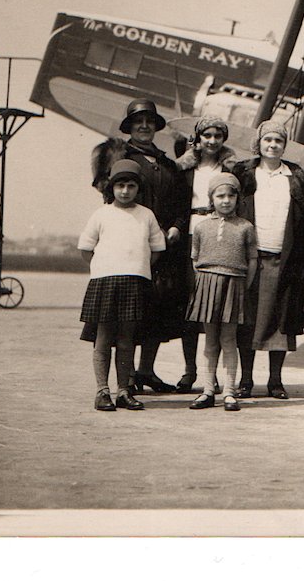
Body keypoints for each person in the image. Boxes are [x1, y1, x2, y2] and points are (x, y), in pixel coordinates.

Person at [90, 98, 190, 394]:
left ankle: (146, 370)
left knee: (157, 308)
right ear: (130, 127)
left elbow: (181, 203)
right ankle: (128, 375)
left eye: (149, 121)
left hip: (164, 247)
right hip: (131, 247)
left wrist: (175, 228)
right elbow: (108, 193)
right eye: (138, 122)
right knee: (130, 312)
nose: (144, 126)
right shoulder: (121, 158)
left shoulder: (167, 163)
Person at [230, 121, 304, 400]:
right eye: (267, 140)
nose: (273, 145)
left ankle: (275, 381)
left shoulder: (295, 176)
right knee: (247, 321)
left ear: (284, 144)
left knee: (282, 321)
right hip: (250, 258)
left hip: (285, 259)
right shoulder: (244, 173)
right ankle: (245, 380)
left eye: (278, 141)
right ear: (259, 143)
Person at [77, 160, 166, 412]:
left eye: (130, 186)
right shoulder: (102, 214)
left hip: (134, 282)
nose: (125, 191)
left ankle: (123, 391)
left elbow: (156, 249)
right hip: (105, 281)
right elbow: (86, 249)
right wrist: (104, 267)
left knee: (127, 340)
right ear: (111, 187)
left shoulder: (146, 215)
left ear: (138, 188)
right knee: (103, 338)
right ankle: (102, 391)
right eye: (120, 185)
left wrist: (137, 267)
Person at [173, 116, 239, 394]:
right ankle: (191, 370)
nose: (212, 141)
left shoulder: (231, 169)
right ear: (198, 138)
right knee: (191, 305)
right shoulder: (185, 168)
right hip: (189, 236)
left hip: (219, 236)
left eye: (217, 136)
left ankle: (223, 379)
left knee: (217, 309)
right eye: (207, 135)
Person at [183, 173, 259, 412]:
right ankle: (207, 390)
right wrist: (202, 286)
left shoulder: (246, 227)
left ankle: (229, 391)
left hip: (234, 284)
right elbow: (195, 259)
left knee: (229, 339)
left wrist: (243, 286)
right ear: (211, 198)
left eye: (231, 195)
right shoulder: (202, 227)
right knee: (209, 340)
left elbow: (253, 260)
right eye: (220, 195)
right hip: (207, 284)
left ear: (238, 199)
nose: (226, 200)